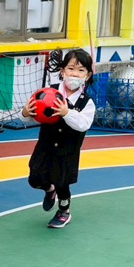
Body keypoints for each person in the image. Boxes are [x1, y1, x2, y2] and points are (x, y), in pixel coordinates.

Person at [22, 48, 95, 230]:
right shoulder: (48, 92)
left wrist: (66, 113)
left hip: (67, 150)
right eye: (71, 68)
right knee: (34, 178)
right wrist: (25, 113)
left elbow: (83, 124)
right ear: (62, 71)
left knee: (62, 182)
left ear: (87, 76)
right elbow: (33, 115)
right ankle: (49, 190)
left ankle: (64, 211)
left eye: (81, 70)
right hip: (45, 145)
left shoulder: (87, 102)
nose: (75, 74)